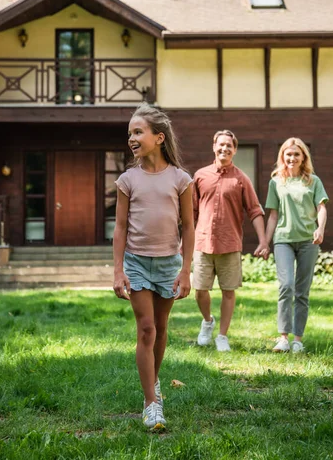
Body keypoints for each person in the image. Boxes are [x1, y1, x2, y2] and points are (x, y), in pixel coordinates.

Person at [113, 103, 194, 431]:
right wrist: (118, 270)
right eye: (130, 133)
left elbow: (188, 227)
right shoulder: (127, 179)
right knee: (146, 329)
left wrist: (186, 269)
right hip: (136, 263)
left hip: (168, 264)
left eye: (138, 132)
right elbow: (119, 227)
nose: (131, 138)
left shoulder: (180, 179)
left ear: (159, 137)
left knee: (160, 328)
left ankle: (154, 383)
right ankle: (151, 404)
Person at [193, 129, 268, 352]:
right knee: (199, 289)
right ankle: (207, 321)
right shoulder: (200, 176)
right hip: (202, 242)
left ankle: (222, 336)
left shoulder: (241, 179)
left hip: (230, 243)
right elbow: (191, 213)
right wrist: (182, 241)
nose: (224, 148)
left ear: (234, 150)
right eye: (221, 144)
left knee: (228, 291)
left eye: (229, 146)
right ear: (214, 146)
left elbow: (255, 211)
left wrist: (263, 241)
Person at [265, 137, 329, 353]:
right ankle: (283, 338)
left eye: (296, 154)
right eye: (288, 154)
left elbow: (321, 207)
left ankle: (297, 340)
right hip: (283, 239)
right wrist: (265, 242)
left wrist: (320, 229)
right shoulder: (275, 182)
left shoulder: (313, 181)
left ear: (303, 158)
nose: (292, 158)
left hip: (308, 241)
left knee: (302, 291)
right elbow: (273, 215)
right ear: (282, 156)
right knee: (286, 286)